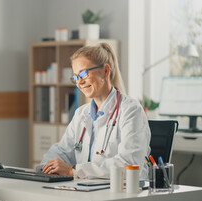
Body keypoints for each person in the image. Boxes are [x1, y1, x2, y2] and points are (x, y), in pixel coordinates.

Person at [40, 43, 151, 179]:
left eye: (84, 74)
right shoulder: (81, 114)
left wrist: (74, 172)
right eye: (75, 77)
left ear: (105, 71)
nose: (79, 82)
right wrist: (44, 168)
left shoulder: (131, 111)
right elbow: (62, 151)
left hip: (123, 192)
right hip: (88, 190)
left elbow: (130, 163)